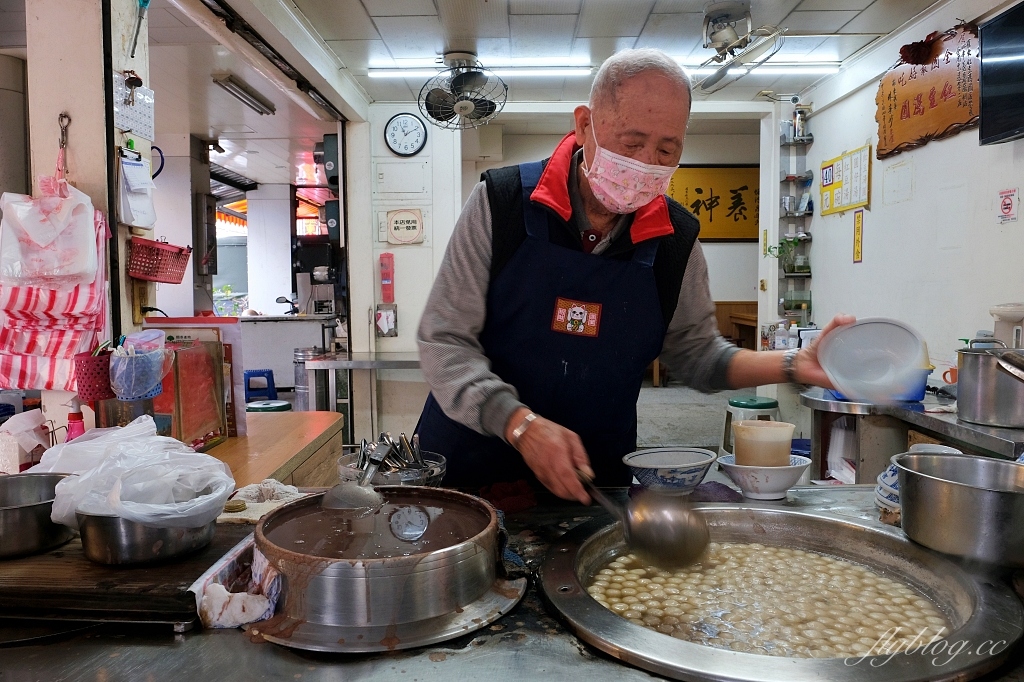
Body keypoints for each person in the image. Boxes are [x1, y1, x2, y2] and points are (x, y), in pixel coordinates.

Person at [415, 47, 852, 504]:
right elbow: (444, 341)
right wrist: (519, 424)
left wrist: (791, 364)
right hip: (468, 474)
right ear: (585, 125)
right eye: (631, 142)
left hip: (592, 481)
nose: (646, 162)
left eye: (667, 149)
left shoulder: (675, 240)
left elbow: (698, 356)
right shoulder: (499, 204)